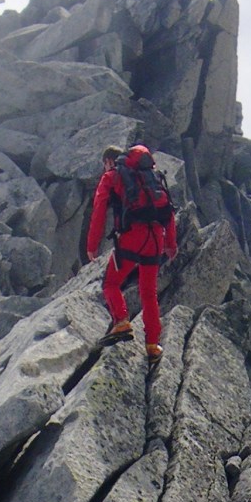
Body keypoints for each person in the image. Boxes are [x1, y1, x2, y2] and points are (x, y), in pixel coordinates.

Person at [86, 144, 177, 362]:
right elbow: (168, 211)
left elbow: (99, 210)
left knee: (110, 283)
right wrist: (171, 244)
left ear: (109, 160)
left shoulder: (112, 176)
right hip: (155, 239)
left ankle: (121, 321)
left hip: (131, 238)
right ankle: (153, 346)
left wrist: (92, 245)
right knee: (149, 293)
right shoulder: (152, 177)